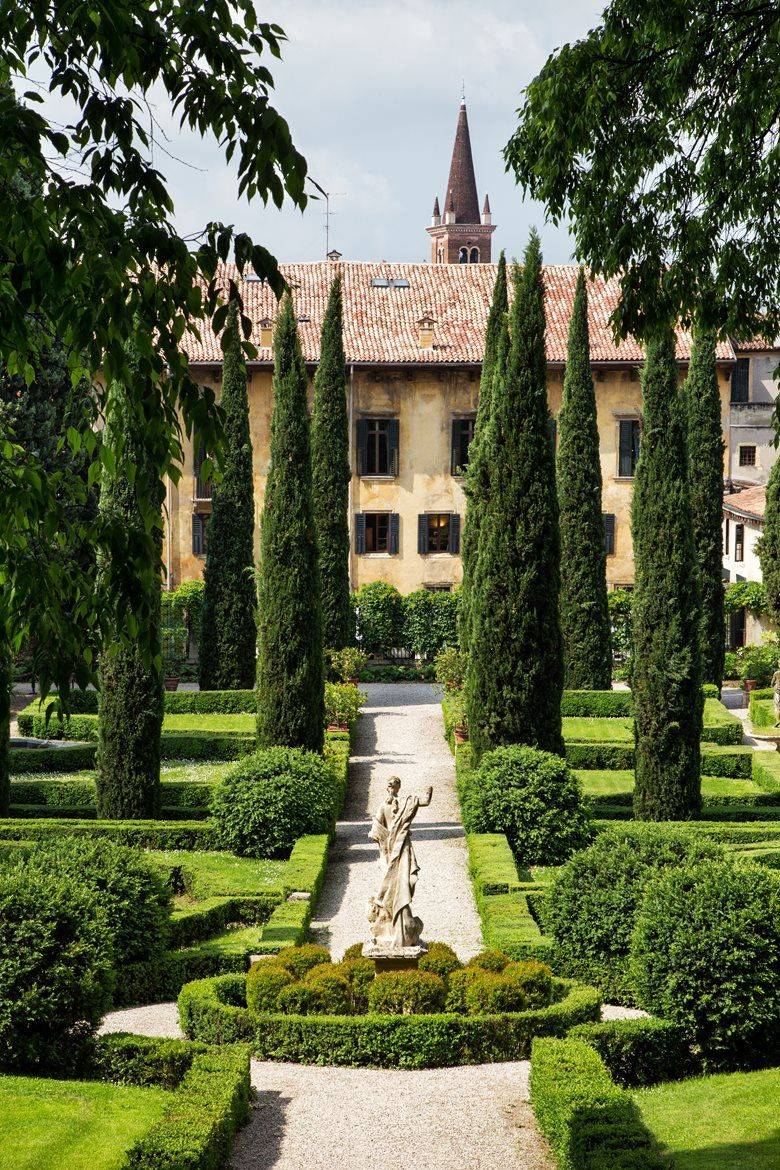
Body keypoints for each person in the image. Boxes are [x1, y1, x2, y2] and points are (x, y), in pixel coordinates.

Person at [368, 776, 433, 949]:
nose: (391, 787)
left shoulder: (406, 802)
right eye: (389, 784)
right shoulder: (383, 806)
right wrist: (383, 843)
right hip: (389, 851)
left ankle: (404, 923)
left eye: (394, 784)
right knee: (389, 886)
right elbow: (375, 830)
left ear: (398, 787)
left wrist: (428, 793)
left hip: (403, 848)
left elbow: (424, 801)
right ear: (386, 787)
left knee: (410, 881)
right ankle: (390, 925)